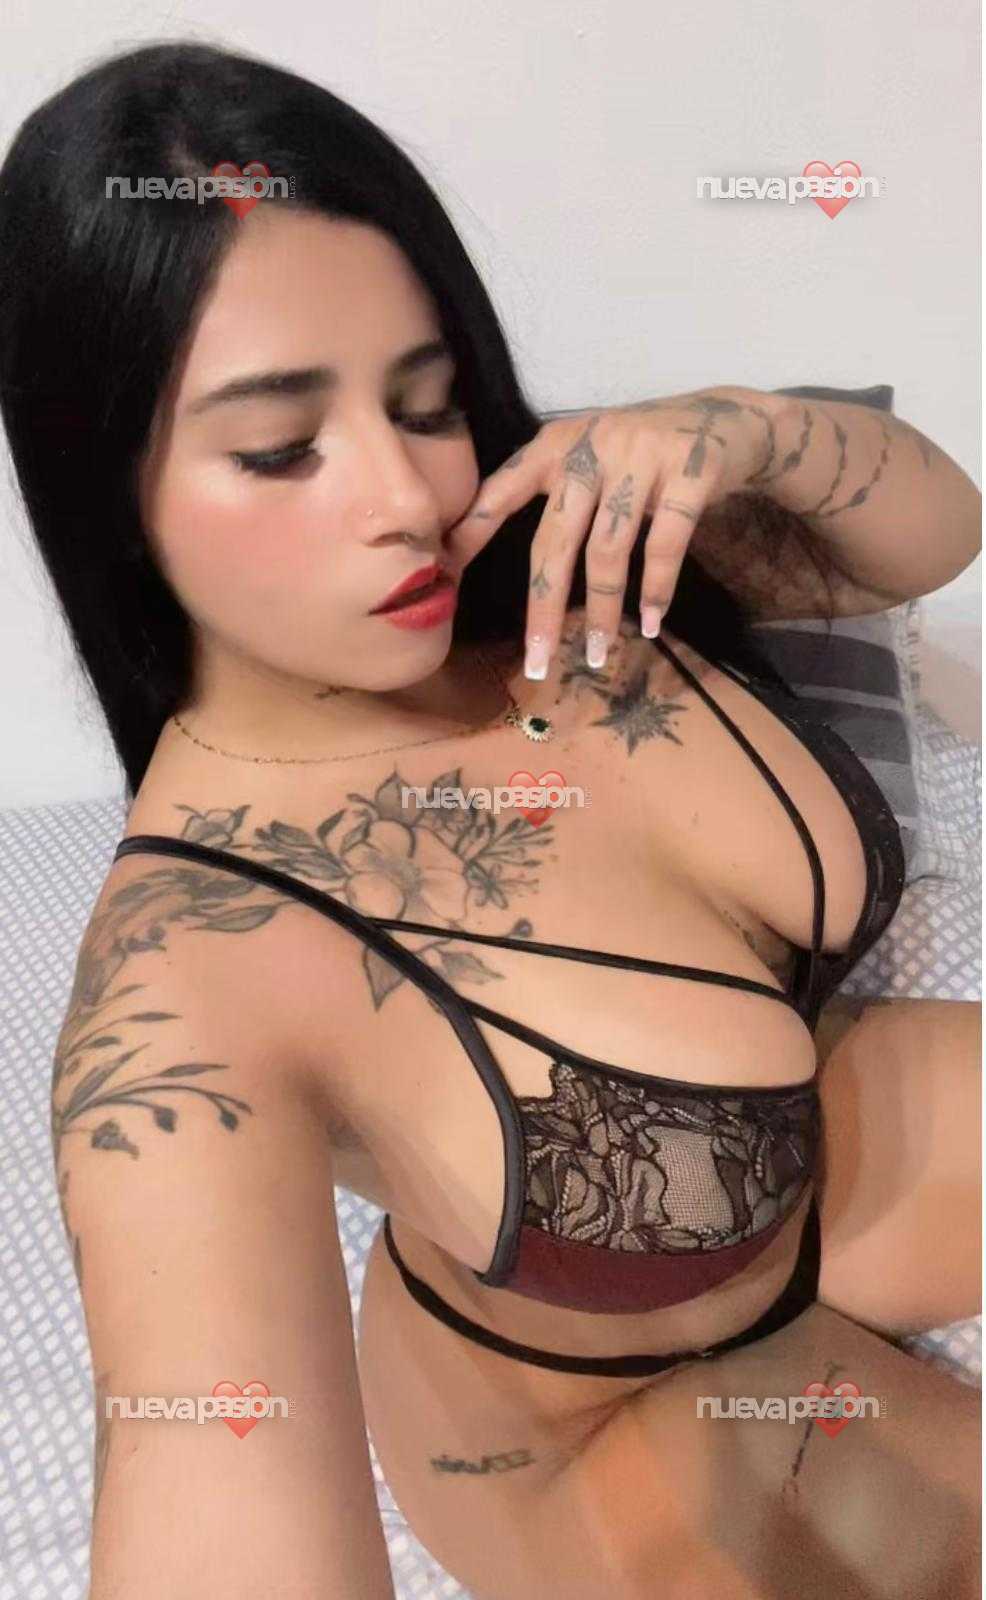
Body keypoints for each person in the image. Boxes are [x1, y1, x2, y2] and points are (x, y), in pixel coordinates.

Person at [1, 39, 980, 1600]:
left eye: (427, 398)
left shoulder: (556, 561)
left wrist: (735, 424)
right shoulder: (190, 974)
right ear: (106, 486)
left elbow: (931, 536)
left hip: (832, 1165)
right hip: (598, 1417)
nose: (404, 494)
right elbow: (207, 1470)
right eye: (280, 449)